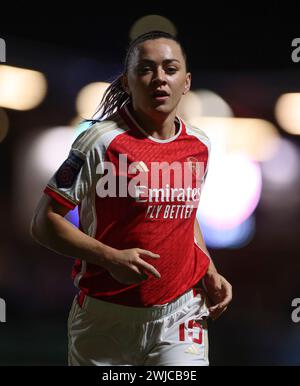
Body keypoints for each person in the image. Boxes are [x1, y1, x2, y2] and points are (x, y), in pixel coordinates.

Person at [31, 31, 232, 366]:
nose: (159, 79)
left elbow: (181, 214)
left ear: (186, 82)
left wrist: (208, 268)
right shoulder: (98, 142)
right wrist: (110, 257)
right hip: (105, 320)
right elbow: (43, 222)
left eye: (170, 69)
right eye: (146, 69)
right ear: (127, 82)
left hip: (181, 315)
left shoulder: (200, 145)